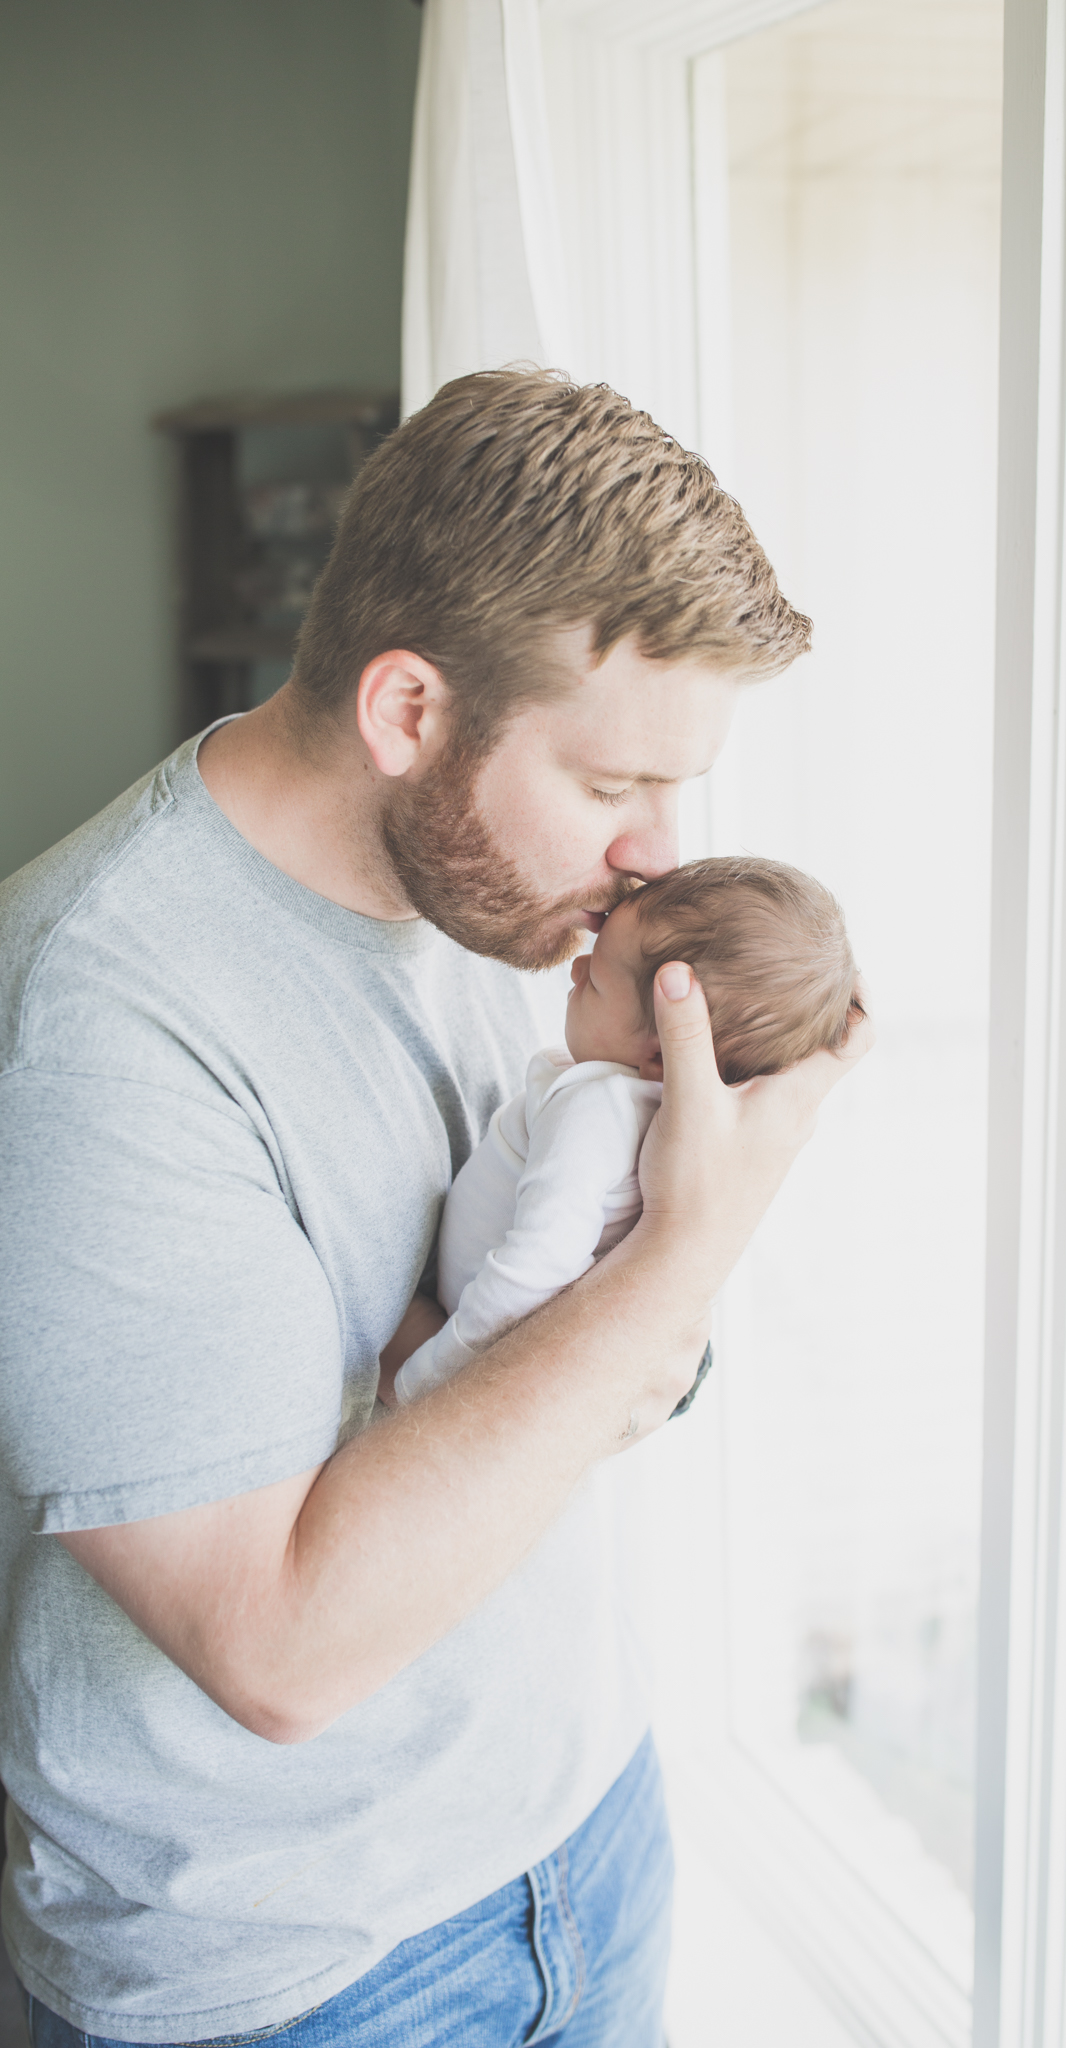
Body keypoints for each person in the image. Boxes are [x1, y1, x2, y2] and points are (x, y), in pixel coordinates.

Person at [0, 369, 870, 2047]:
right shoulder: (89, 1022)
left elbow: (614, 1351)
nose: (654, 858)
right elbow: (283, 1647)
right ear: (411, 710)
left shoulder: (510, 908)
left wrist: (655, 1312)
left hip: (588, 1817)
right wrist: (688, 1251)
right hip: (297, 1973)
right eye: (620, 784)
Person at [393, 856, 859, 1409]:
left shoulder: (595, 1111)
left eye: (596, 981)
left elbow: (538, 1265)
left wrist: (421, 1385)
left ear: (661, 1052)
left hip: (473, 1356)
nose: (574, 972)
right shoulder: (672, 1120)